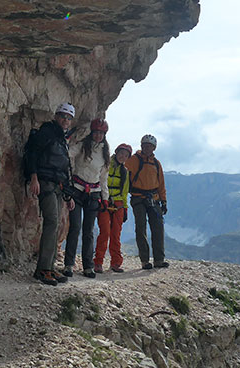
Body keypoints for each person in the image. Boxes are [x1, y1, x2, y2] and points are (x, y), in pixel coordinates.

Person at [25, 103, 77, 286]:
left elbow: (64, 168)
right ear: (56, 116)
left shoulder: (61, 138)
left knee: (57, 224)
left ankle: (49, 266)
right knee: (52, 221)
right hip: (45, 182)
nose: (66, 120)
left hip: (56, 185)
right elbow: (33, 154)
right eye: (63, 116)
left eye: (69, 118)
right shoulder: (47, 132)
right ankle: (43, 269)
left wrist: (68, 195)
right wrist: (34, 177)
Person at [63, 118, 110, 278]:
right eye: (96, 132)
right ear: (92, 132)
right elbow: (68, 153)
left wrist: (105, 198)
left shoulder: (104, 154)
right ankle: (68, 264)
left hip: (94, 193)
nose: (98, 136)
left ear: (104, 135)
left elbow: (103, 178)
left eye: (101, 133)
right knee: (75, 227)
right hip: (77, 190)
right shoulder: (83, 146)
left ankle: (88, 266)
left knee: (88, 231)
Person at [124, 134, 169, 269]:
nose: (147, 148)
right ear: (141, 146)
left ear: (154, 148)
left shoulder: (156, 163)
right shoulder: (133, 160)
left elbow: (161, 183)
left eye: (150, 146)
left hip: (153, 198)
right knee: (141, 228)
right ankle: (145, 260)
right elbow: (124, 174)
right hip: (138, 198)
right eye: (145, 145)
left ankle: (159, 260)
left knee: (158, 228)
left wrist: (164, 200)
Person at [94, 143, 132, 273]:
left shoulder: (125, 172)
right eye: (121, 153)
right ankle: (98, 262)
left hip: (118, 203)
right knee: (105, 232)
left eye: (126, 155)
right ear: (116, 152)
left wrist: (125, 208)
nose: (123, 156)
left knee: (116, 234)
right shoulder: (106, 165)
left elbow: (125, 191)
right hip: (104, 201)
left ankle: (116, 263)